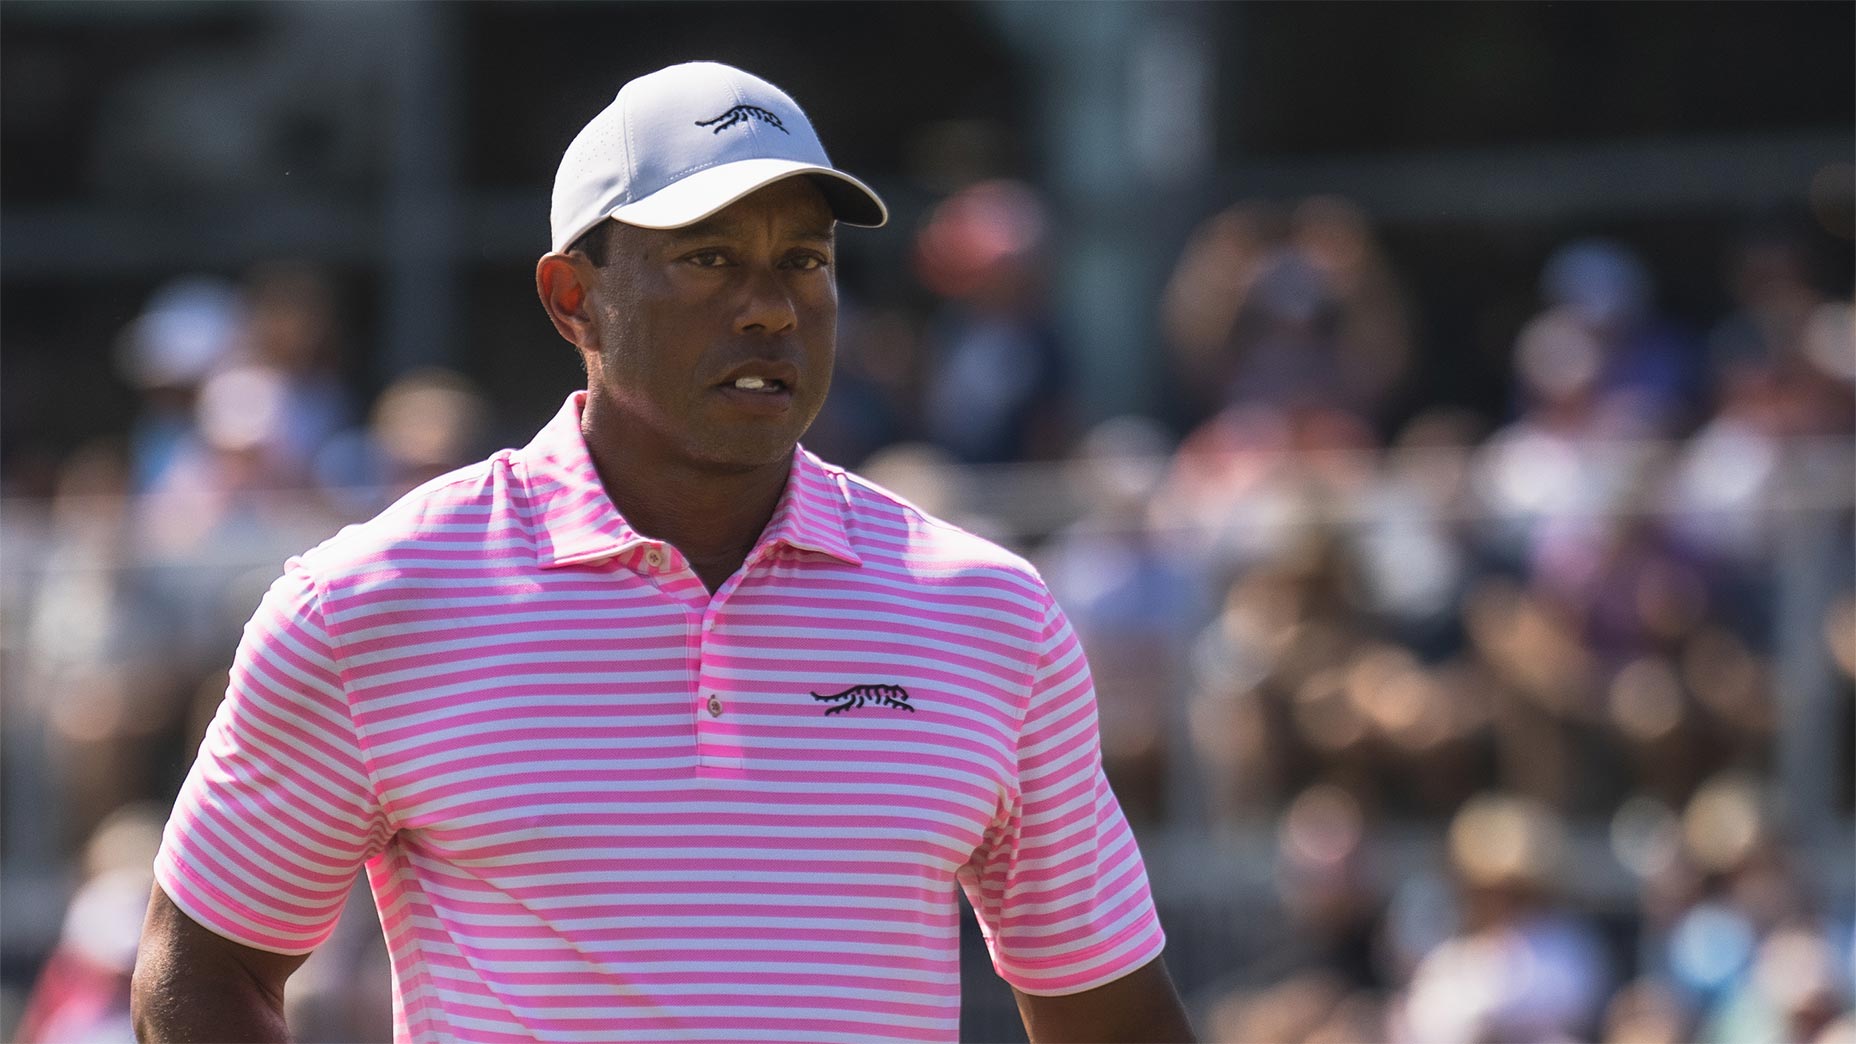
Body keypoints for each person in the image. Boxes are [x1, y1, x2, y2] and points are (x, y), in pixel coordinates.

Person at [131, 61, 1194, 1043]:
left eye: (803, 261)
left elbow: (1110, 1016)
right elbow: (199, 975)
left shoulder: (988, 613)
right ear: (571, 299)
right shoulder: (368, 603)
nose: (771, 306)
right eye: (709, 259)